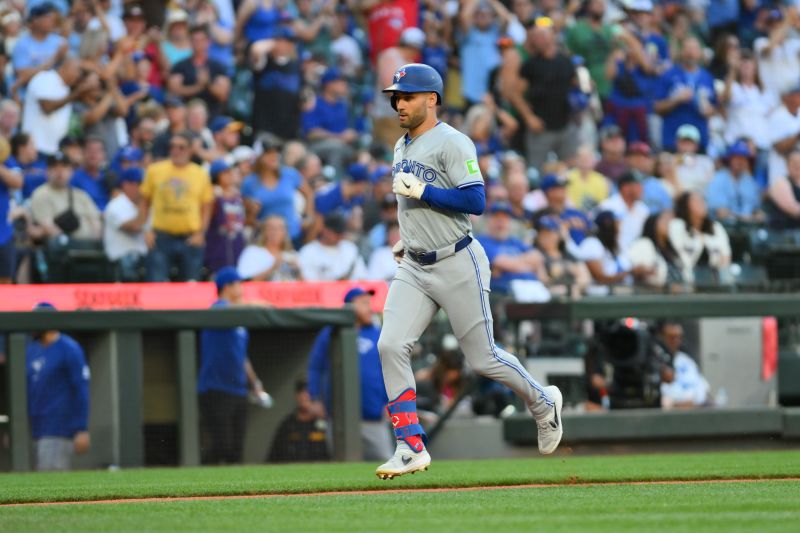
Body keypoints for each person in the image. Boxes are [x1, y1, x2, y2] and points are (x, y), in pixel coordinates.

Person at [376, 63, 562, 480]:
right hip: (416, 264)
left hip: (458, 260)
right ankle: (409, 445)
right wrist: (409, 237)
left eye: (407, 96)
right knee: (390, 346)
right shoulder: (401, 145)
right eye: (396, 97)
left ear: (432, 99)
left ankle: (542, 401)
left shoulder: (453, 142)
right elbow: (411, 205)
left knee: (483, 359)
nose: (399, 103)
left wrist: (423, 191)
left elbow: (475, 200)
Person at [307, 287, 393, 462]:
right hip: (339, 418)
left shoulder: (377, 334)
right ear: (349, 307)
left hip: (372, 416)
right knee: (342, 465)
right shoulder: (330, 332)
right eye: (363, 303)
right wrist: (314, 397)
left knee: (386, 461)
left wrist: (389, 401)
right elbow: (315, 367)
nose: (369, 308)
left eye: (369, 303)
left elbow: (389, 370)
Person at [198, 267, 266, 464]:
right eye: (238, 284)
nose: (242, 288)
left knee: (236, 448)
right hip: (215, 387)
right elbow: (232, 308)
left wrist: (254, 382)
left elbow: (241, 355)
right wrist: (255, 305)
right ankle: (199, 482)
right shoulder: (218, 308)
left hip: (238, 388)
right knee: (222, 445)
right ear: (226, 287)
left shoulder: (240, 321)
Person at [138, 131, 214, 282]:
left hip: (190, 237)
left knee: (191, 286)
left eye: (181, 147)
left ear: (190, 149)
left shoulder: (200, 174)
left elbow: (207, 206)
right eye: (172, 146)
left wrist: (201, 233)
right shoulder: (155, 170)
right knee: (157, 284)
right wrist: (146, 229)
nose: (176, 151)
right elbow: (144, 202)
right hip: (161, 237)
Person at [26, 302, 90, 471]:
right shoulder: (31, 349)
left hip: (58, 428)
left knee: (49, 485)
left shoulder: (69, 348)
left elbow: (81, 389)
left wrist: (81, 428)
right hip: (33, 427)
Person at [510, 22, 577, 171]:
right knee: (535, 171)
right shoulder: (531, 64)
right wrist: (529, 117)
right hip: (541, 129)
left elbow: (577, 86)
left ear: (552, 36)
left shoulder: (566, 61)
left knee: (571, 170)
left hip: (565, 126)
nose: (538, 40)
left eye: (542, 35)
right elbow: (515, 94)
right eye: (535, 37)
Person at [242, 139, 313, 244]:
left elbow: (309, 193)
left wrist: (308, 217)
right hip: (266, 239)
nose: (274, 156)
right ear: (259, 157)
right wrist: (253, 215)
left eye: (276, 152)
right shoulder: (249, 183)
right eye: (268, 153)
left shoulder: (290, 174)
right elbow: (247, 219)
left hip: (293, 236)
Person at [654, 37, 716, 152]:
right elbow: (657, 107)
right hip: (672, 138)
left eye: (694, 49)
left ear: (700, 53)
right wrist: (676, 99)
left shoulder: (707, 77)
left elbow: (714, 107)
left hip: (699, 139)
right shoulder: (668, 75)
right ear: (681, 51)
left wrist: (709, 110)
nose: (690, 53)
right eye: (687, 49)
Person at [28, 152, 102, 243]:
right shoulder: (41, 194)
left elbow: (95, 221)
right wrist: (69, 243)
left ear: (71, 171)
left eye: (64, 167)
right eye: (54, 167)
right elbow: (48, 227)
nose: (60, 171)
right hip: (64, 249)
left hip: (90, 248)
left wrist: (95, 244)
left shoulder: (81, 195)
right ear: (47, 172)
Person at [476, 202, 545, 296]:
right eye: (497, 218)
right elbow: (500, 262)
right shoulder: (482, 241)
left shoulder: (515, 241)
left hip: (533, 286)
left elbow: (538, 257)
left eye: (505, 218)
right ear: (489, 220)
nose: (501, 222)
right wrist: (530, 266)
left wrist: (511, 265)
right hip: (505, 291)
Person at [21, 56, 85, 156]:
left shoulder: (66, 89)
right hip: (35, 148)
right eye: (77, 70)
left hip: (54, 150)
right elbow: (47, 107)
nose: (79, 75)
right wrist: (76, 94)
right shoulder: (45, 78)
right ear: (65, 67)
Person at [668, 191, 731, 284]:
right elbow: (677, 256)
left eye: (703, 201)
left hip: (715, 280)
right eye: (696, 201)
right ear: (686, 206)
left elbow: (726, 256)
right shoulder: (677, 225)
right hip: (685, 280)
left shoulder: (716, 227)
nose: (701, 204)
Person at [267, 377, 331, 463]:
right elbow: (273, 459)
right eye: (302, 391)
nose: (306, 395)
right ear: (296, 396)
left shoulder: (325, 424)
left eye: (310, 391)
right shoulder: (287, 426)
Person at [103, 167, 147, 281]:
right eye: (136, 183)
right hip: (120, 260)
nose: (140, 188)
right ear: (125, 184)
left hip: (140, 258)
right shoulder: (116, 205)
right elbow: (134, 227)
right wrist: (144, 204)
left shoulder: (139, 205)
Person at [297, 212, 367, 281]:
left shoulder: (350, 248)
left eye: (341, 233)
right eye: (337, 233)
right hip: (322, 291)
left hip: (350, 290)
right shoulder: (308, 252)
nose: (340, 236)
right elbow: (308, 283)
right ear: (325, 230)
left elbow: (362, 277)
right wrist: (336, 283)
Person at [656, 320, 711, 409]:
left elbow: (704, 391)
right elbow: (664, 403)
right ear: (661, 337)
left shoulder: (685, 359)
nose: (676, 341)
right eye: (671, 337)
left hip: (696, 413)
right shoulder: (655, 361)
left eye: (679, 337)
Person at [204, 159, 245, 275]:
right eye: (225, 173)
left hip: (236, 238)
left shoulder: (237, 194)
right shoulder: (213, 194)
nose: (230, 175)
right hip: (218, 240)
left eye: (230, 172)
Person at [705, 140, 763, 223]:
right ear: (730, 159)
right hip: (725, 227)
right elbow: (720, 212)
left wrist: (758, 214)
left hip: (748, 227)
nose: (740, 161)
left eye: (743, 158)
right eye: (737, 157)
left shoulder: (749, 181)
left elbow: (756, 208)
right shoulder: (719, 179)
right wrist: (743, 218)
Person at [237, 215, 303, 281]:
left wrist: (298, 271)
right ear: (264, 231)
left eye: (280, 228)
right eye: (271, 228)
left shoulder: (293, 255)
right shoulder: (252, 252)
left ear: (285, 232)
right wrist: (273, 268)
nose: (275, 232)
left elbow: (306, 286)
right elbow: (244, 281)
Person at [599, 170, 649, 254]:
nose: (642, 188)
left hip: (637, 256)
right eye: (638, 185)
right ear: (625, 188)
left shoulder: (643, 209)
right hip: (613, 255)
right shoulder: (608, 207)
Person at [628, 211, 682, 288]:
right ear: (653, 223)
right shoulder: (643, 244)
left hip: (680, 297)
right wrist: (667, 288)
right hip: (654, 297)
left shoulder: (672, 248)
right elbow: (640, 273)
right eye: (664, 221)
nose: (668, 224)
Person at [565, 144, 611, 212]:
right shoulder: (567, 177)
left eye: (587, 158)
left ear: (593, 161)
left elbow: (603, 203)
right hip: (572, 213)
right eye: (581, 158)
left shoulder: (601, 180)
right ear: (576, 160)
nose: (584, 161)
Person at [674, 124, 715, 194]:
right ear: (677, 143)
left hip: (702, 199)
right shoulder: (670, 161)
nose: (686, 146)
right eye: (683, 142)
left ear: (696, 145)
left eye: (689, 143)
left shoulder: (706, 162)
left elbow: (712, 187)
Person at [767, 149, 800, 229]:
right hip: (782, 234)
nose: (797, 166)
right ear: (787, 165)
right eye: (794, 163)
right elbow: (794, 210)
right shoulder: (780, 183)